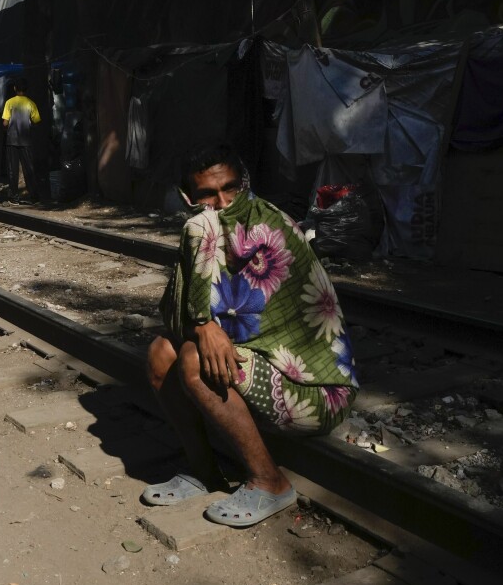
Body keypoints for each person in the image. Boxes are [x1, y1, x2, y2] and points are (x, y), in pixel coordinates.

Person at [143, 144, 358, 527]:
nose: (222, 202)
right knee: (162, 352)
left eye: (230, 188)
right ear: (187, 197)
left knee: (193, 358)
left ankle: (270, 481)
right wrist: (202, 324)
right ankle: (204, 471)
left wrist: (204, 324)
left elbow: (216, 323)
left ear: (244, 184)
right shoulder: (208, 231)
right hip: (267, 370)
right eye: (207, 195)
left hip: (316, 390)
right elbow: (178, 320)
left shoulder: (265, 228)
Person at [0, 78, 46, 204]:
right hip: (26, 140)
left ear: (15, 88)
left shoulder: (9, 102)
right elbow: (37, 121)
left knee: (12, 169)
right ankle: (34, 197)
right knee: (29, 168)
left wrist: (7, 128)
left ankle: (14, 197)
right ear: (26, 89)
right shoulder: (31, 103)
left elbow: (5, 122)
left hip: (12, 140)